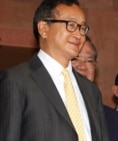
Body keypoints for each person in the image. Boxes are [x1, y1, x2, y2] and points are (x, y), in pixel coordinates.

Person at [0, 0, 109, 141]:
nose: (78, 34)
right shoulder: (16, 80)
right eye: (71, 25)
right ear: (44, 28)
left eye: (82, 28)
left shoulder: (91, 90)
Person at [72, 36, 118, 141]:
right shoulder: (47, 108)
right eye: (75, 59)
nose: (82, 66)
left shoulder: (113, 119)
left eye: (89, 60)